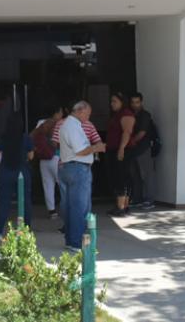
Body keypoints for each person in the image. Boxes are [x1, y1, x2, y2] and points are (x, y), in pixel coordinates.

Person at [59, 100, 105, 253]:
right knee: (80, 207)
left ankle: (70, 240)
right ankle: (77, 243)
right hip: (78, 168)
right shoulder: (72, 126)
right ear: (79, 111)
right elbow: (80, 150)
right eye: (87, 114)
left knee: (71, 207)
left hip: (69, 167)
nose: (88, 117)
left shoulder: (68, 125)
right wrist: (96, 147)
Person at [0, 110, 34, 239]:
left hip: (6, 171)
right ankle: (26, 230)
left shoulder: (2, 137)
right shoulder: (26, 137)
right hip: (22, 171)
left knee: (4, 202)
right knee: (25, 201)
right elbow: (31, 156)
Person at [104, 92, 136, 217]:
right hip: (113, 149)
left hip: (122, 150)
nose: (112, 104)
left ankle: (122, 207)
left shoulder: (126, 114)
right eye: (111, 101)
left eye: (114, 101)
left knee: (121, 177)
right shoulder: (117, 115)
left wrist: (121, 149)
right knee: (116, 177)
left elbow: (127, 132)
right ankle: (120, 205)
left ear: (122, 102)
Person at [32, 106, 64, 218]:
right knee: (63, 184)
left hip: (43, 159)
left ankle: (52, 211)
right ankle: (66, 208)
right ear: (56, 113)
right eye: (61, 112)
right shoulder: (60, 124)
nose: (62, 115)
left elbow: (33, 138)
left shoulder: (40, 123)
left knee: (48, 185)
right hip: (57, 157)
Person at [128, 93, 155, 210]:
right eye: (133, 102)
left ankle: (149, 200)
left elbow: (142, 132)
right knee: (135, 176)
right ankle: (138, 199)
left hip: (143, 148)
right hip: (133, 150)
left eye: (137, 102)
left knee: (146, 175)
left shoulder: (145, 115)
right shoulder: (131, 115)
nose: (135, 105)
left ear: (141, 102)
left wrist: (131, 142)